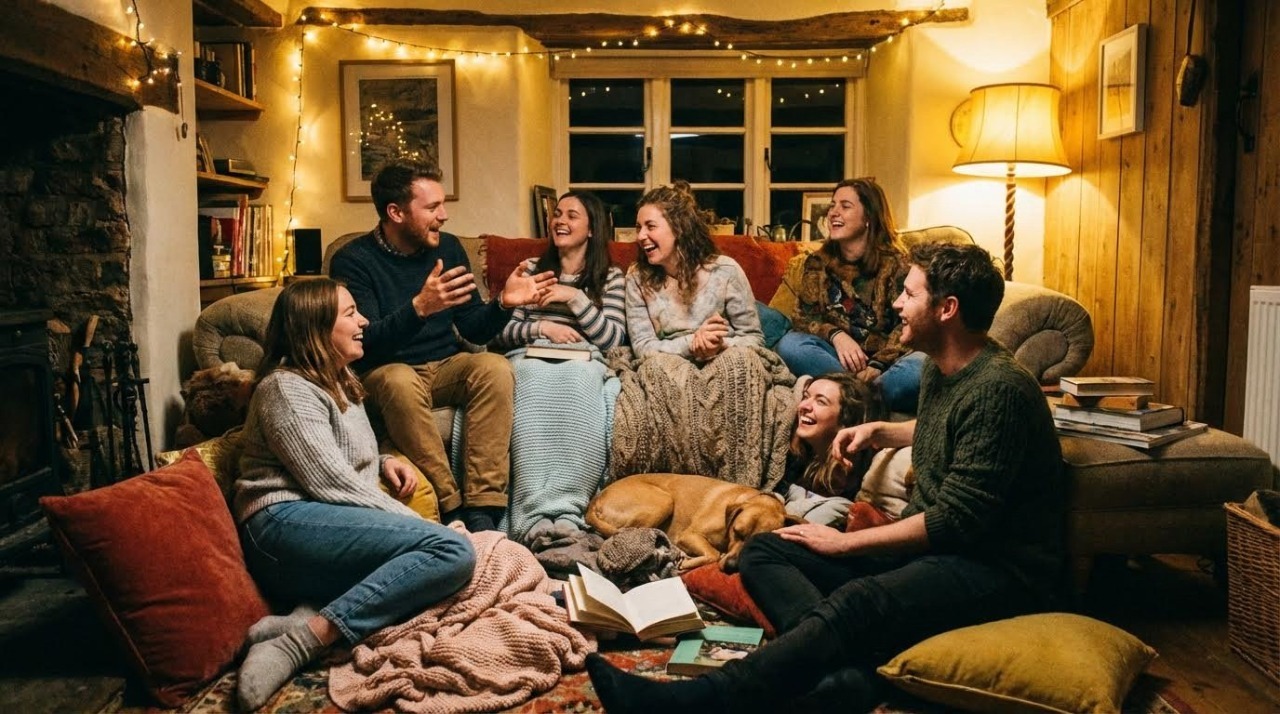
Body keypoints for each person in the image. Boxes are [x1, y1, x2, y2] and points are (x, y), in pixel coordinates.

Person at [586, 242, 1066, 713]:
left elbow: (954, 524)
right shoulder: (950, 368)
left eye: (910, 294)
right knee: (763, 548)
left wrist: (844, 544)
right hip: (939, 551)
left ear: (948, 308)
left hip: (996, 569)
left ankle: (692, 702)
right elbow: (954, 425)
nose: (896, 303)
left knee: (858, 598)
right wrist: (885, 431)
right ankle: (845, 675)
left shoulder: (999, 389)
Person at [232, 279, 476, 711]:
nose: (363, 321)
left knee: (436, 565)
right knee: (452, 553)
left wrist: (384, 459)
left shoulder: (340, 379)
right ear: (315, 329)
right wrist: (425, 528)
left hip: (320, 523)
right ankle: (306, 642)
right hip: (281, 526)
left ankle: (301, 617)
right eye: (349, 314)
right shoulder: (285, 389)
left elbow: (340, 453)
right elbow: (332, 484)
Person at [329, 161, 556, 533]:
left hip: (446, 365)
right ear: (396, 212)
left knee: (493, 367)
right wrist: (419, 308)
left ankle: (484, 508)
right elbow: (363, 345)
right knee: (397, 379)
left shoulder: (448, 249)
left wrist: (504, 303)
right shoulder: (354, 261)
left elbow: (472, 327)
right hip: (388, 369)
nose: (444, 215)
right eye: (432, 208)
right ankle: (450, 506)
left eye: (443, 205)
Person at [612, 181, 794, 490]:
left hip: (723, 353)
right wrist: (692, 345)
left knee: (741, 363)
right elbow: (643, 348)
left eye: (650, 226)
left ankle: (740, 490)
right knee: (658, 371)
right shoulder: (637, 278)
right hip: (669, 358)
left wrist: (719, 344)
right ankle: (686, 490)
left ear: (679, 227)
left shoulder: (726, 270)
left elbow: (752, 337)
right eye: (639, 226)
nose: (640, 235)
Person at [492, 190, 626, 542]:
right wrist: (542, 327)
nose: (560, 221)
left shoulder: (611, 277)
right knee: (528, 378)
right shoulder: (534, 270)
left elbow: (612, 339)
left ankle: (570, 509)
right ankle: (530, 513)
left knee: (582, 382)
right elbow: (502, 332)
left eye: (572, 216)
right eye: (558, 214)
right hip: (531, 356)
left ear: (592, 228)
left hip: (583, 360)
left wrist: (576, 298)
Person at [774, 177, 926, 413]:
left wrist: (878, 363)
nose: (833, 212)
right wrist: (836, 336)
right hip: (835, 358)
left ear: (868, 217)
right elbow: (803, 317)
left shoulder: (898, 264)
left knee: (920, 368)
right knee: (791, 345)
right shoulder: (817, 262)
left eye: (845, 206)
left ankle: (849, 397)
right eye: (833, 205)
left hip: (888, 363)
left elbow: (908, 323)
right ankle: (859, 396)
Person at [777, 372, 884, 528]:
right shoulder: (793, 456)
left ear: (845, 421)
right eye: (806, 397)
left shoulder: (860, 477)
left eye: (821, 402)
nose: (803, 406)